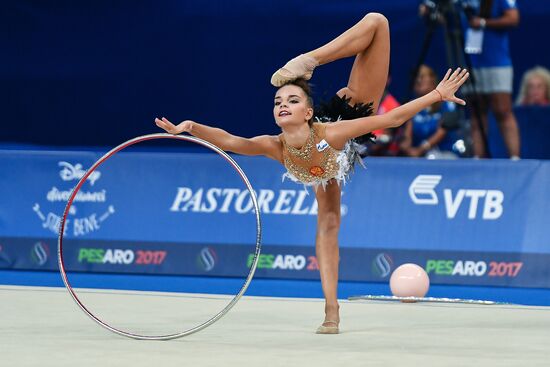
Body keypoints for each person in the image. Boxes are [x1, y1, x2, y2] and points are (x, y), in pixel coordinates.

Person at [155, 13, 469, 334]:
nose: (282, 104)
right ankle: (331, 310)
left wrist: (435, 96)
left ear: (308, 113)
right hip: (325, 170)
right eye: (278, 101)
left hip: (351, 114)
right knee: (328, 223)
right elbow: (233, 141)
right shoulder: (274, 146)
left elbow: (388, 121)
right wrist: (191, 127)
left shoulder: (329, 133)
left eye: (292, 99)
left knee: (377, 22)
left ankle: (311, 60)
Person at [464, 0, 521, 159]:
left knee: (502, 110)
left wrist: (483, 22)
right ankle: (477, 158)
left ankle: (515, 159)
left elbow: (513, 18)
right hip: (471, 60)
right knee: (476, 112)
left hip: (497, 61)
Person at [400, 65, 459, 158]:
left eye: (422, 76)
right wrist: (406, 145)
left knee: (432, 157)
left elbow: (442, 131)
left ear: (432, 80)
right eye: (416, 77)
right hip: (417, 155)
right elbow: (408, 133)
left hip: (444, 154)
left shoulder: (446, 103)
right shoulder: (412, 104)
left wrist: (421, 149)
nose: (418, 80)